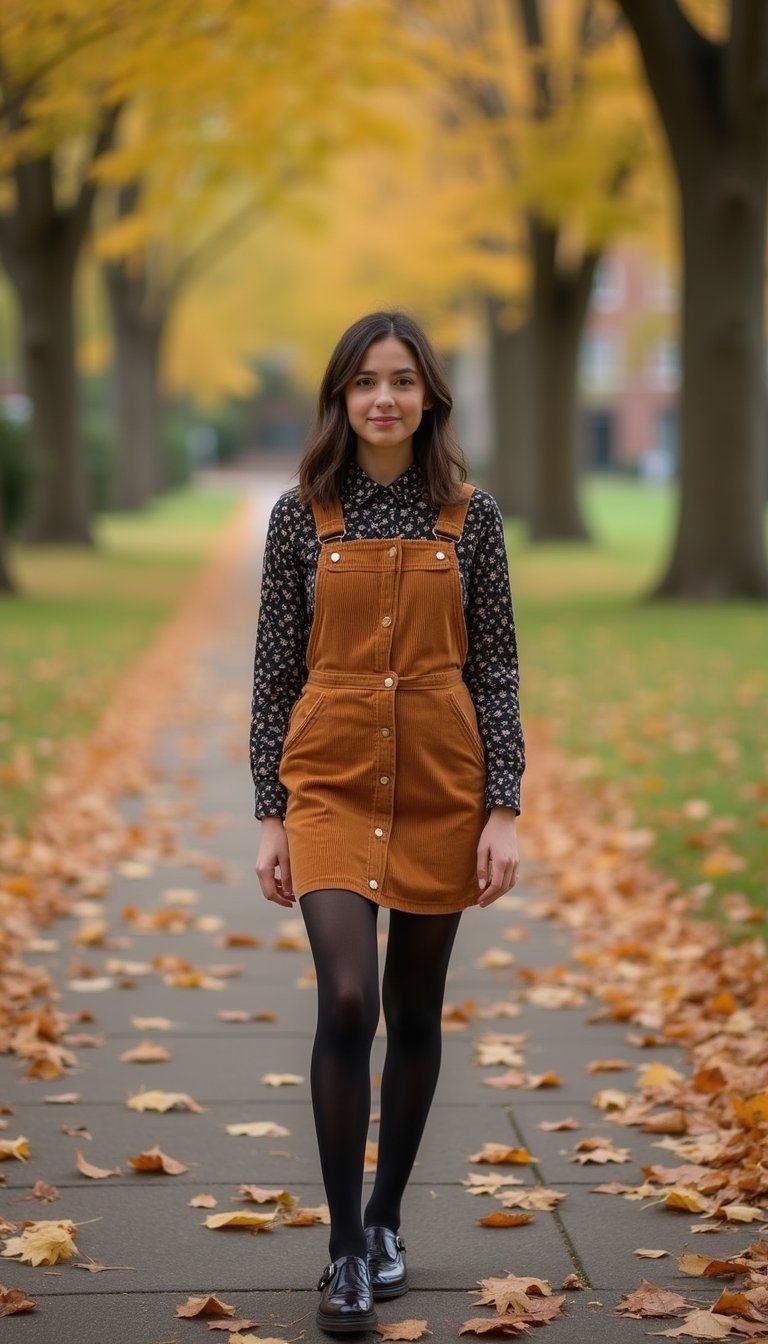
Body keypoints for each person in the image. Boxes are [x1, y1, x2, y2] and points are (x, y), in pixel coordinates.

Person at [249, 309, 525, 1334]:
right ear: (341, 397)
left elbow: (494, 667)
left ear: (428, 397)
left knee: (414, 1011)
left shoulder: (473, 517)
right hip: (326, 780)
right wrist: (269, 814)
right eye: (364, 380)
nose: (382, 397)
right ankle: (344, 1253)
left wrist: (505, 806)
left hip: (444, 786)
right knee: (349, 1000)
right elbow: (274, 674)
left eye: (401, 379)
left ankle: (387, 1217)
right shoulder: (299, 516)